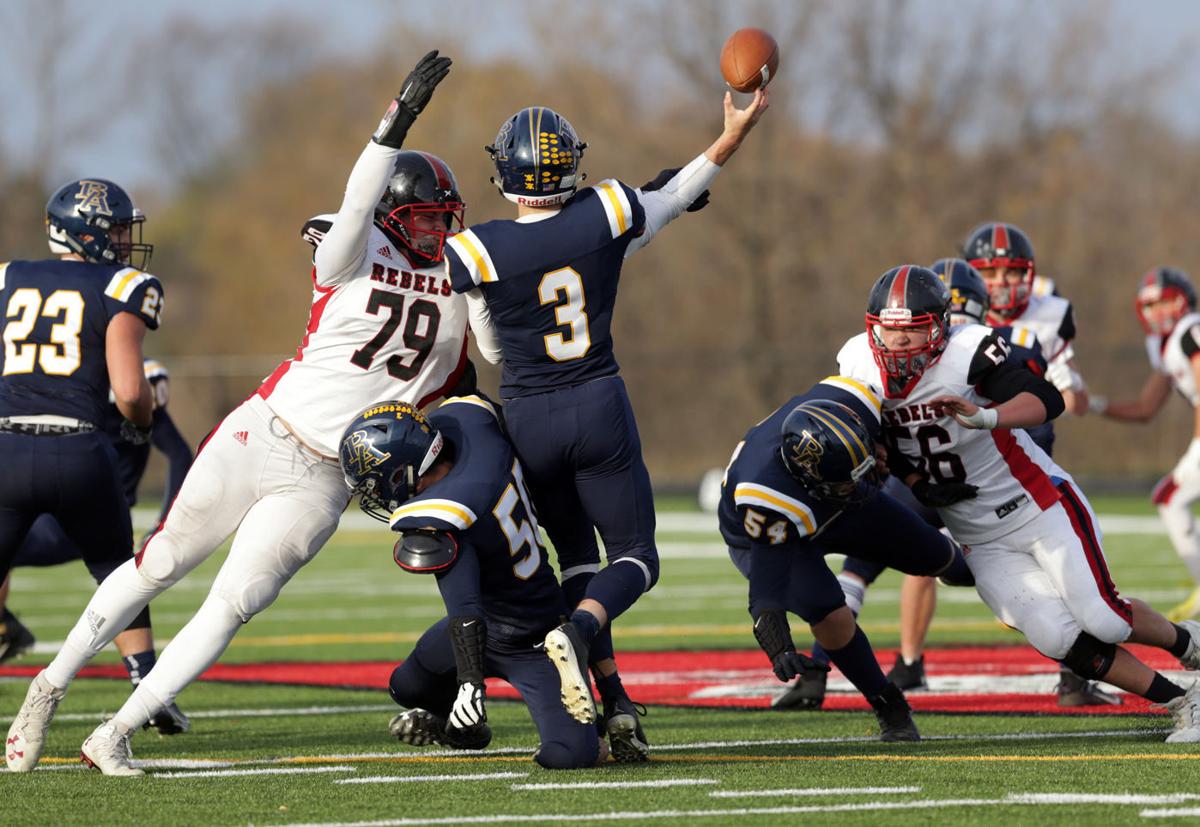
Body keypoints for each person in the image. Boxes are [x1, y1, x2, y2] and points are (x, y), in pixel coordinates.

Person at [7, 50, 496, 775]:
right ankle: (46, 687)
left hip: (330, 476)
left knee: (236, 601)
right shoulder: (350, 252)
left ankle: (116, 730)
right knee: (161, 561)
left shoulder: (461, 288)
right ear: (395, 215)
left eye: (445, 219)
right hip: (262, 429)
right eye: (424, 217)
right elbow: (357, 201)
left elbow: (488, 363)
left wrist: (486, 279)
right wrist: (393, 122)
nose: (436, 231)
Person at [441, 89, 769, 756]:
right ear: (570, 167)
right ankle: (584, 634)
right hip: (596, 400)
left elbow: (493, 350)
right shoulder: (609, 209)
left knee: (575, 560)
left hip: (528, 414)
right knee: (635, 558)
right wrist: (732, 133)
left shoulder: (476, 250)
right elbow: (680, 191)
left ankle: (615, 702)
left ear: (504, 172)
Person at [837, 264, 1200, 742]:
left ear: (941, 328)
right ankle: (1181, 700)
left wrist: (987, 417)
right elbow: (881, 439)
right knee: (1056, 637)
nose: (900, 345)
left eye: (913, 332)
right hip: (977, 535)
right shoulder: (858, 362)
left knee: (1103, 618)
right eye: (890, 331)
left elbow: (1045, 398)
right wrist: (912, 480)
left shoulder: (966, 353)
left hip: (1037, 503)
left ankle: (1189, 641)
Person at [340, 397, 607, 768]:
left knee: (572, 755)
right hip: (494, 617)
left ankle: (471, 714)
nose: (377, 496)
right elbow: (484, 405)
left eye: (376, 485)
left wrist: (470, 683)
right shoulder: (470, 427)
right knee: (406, 686)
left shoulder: (441, 512)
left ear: (402, 472)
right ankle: (462, 730)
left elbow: (464, 608)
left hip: (537, 640)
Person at [2, 177, 165, 770]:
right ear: (89, 231)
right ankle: (147, 686)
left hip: (6, 448)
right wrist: (141, 425)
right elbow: (129, 390)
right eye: (118, 229)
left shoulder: (7, 275)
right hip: (77, 449)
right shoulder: (123, 284)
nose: (126, 241)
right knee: (118, 572)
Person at [719, 375, 975, 739]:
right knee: (830, 614)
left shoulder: (850, 401)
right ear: (811, 476)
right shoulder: (768, 500)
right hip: (773, 538)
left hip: (837, 504)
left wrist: (916, 481)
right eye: (847, 478)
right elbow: (765, 594)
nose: (860, 481)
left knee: (943, 558)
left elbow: (883, 439)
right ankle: (889, 705)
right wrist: (779, 648)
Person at [0, 357, 193, 731]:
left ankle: (5, 626)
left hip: (58, 507)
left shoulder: (66, 379)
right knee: (120, 575)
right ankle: (147, 688)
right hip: (93, 499)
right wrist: (166, 521)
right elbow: (178, 450)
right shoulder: (132, 374)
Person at [1089, 267, 1200, 621]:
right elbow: (1145, 408)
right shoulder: (1165, 346)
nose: (1159, 311)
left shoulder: (1190, 330)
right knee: (1169, 497)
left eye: (1166, 301)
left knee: (1170, 497)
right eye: (1151, 305)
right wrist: (1095, 405)